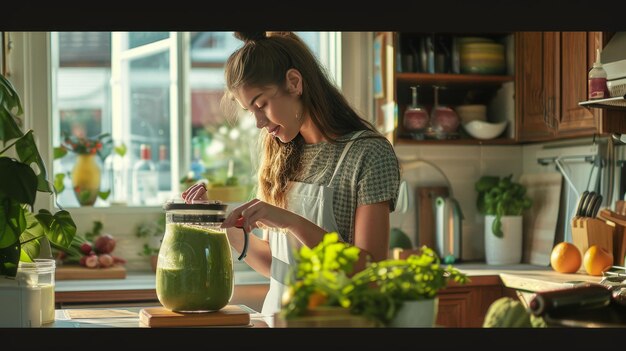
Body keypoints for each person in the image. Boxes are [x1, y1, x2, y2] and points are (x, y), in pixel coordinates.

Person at [182, 31, 401, 317]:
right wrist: (220, 225)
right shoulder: (280, 156)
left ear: (294, 83)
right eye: (251, 111)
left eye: (261, 105)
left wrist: (290, 221)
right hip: (279, 320)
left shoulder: (368, 154)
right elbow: (278, 265)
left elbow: (369, 272)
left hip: (339, 323)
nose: (259, 122)